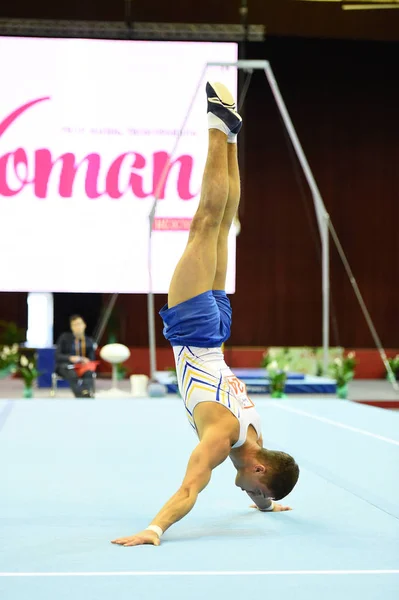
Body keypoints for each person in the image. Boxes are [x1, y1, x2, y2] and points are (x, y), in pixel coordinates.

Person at [112, 82, 299, 548]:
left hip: (218, 328)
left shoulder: (257, 437)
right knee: (206, 222)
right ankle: (219, 127)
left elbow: (262, 484)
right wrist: (155, 529)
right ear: (258, 467)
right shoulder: (224, 437)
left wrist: (270, 503)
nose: (253, 495)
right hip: (195, 331)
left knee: (224, 227)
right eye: (258, 491)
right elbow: (190, 488)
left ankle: (232, 137)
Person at [55, 314, 96, 398]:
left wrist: (85, 360)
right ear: (71, 327)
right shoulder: (64, 338)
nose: (78, 327)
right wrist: (70, 358)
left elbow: (92, 359)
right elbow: (57, 356)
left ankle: (86, 392)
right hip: (66, 366)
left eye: (79, 324)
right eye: (75, 325)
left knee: (89, 373)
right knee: (71, 373)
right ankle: (80, 396)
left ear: (84, 325)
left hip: (82, 366)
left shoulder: (89, 341)